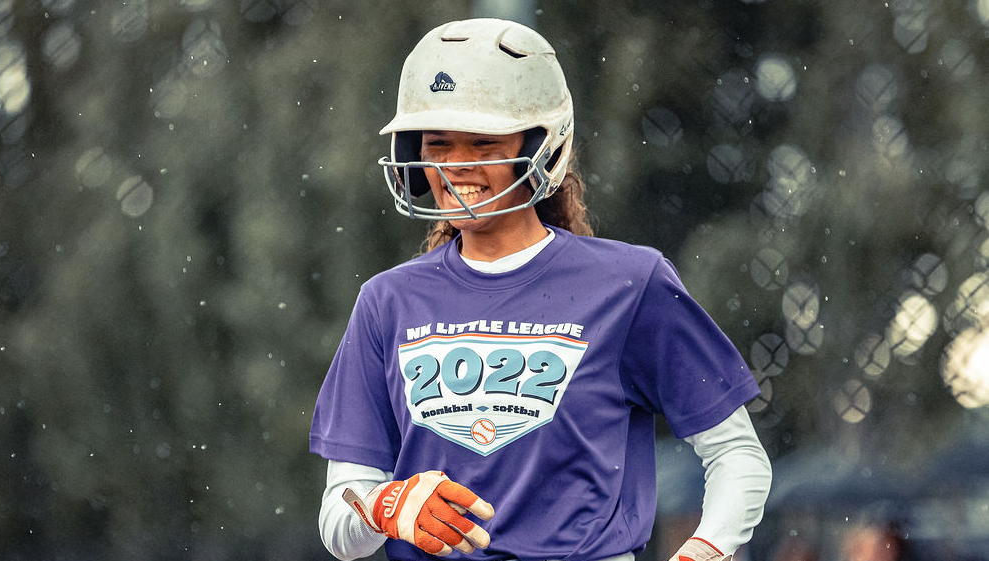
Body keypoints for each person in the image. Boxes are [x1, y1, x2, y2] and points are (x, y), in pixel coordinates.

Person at [310, 17, 772, 561]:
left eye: (483, 144)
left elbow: (737, 456)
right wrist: (383, 506)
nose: (456, 167)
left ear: (544, 147)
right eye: (438, 144)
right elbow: (340, 521)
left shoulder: (630, 284)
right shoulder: (386, 302)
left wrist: (706, 550)